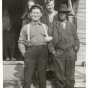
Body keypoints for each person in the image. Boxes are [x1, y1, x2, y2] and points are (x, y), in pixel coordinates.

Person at [18, 4, 52, 88]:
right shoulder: (26, 27)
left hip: (43, 53)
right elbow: (20, 42)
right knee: (27, 77)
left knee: (42, 76)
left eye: (37, 13)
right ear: (30, 15)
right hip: (30, 52)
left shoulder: (45, 27)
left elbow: (50, 40)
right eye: (33, 13)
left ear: (41, 15)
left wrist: (49, 42)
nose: (35, 15)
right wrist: (24, 53)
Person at [48, 4, 80, 88]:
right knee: (59, 76)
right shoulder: (53, 25)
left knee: (70, 77)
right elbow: (49, 40)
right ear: (58, 13)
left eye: (64, 12)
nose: (62, 14)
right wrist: (53, 51)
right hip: (58, 53)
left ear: (66, 14)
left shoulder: (71, 25)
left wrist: (76, 48)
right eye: (60, 12)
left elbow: (76, 39)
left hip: (70, 53)